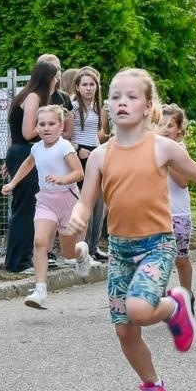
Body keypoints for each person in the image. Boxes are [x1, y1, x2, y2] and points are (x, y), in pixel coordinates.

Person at [69, 69, 196, 391]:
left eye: (131, 96)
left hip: (157, 244)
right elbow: (87, 198)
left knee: (139, 310)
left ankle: (175, 306)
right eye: (115, 97)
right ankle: (151, 385)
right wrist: (79, 215)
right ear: (108, 106)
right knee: (125, 330)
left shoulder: (162, 147)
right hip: (121, 250)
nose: (122, 102)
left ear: (147, 107)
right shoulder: (99, 156)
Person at [1, 105, 93, 309]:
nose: (46, 128)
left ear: (61, 127)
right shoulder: (36, 148)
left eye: (51, 124)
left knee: (69, 253)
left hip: (67, 200)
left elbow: (79, 173)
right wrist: (13, 183)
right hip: (45, 201)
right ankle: (40, 290)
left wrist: (62, 179)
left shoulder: (65, 147)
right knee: (40, 241)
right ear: (37, 128)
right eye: (41, 124)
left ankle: (81, 252)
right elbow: (27, 164)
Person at [2, 60, 60, 273]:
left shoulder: (28, 95)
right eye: (55, 77)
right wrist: (51, 124)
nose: (56, 82)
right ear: (48, 78)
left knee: (27, 207)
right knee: (25, 208)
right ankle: (19, 262)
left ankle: (19, 259)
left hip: (22, 153)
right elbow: (27, 133)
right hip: (24, 153)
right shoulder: (34, 97)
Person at [157, 105, 196, 300]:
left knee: (181, 258)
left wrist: (168, 159)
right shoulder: (150, 149)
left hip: (178, 213)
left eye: (170, 125)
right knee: (159, 259)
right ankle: (163, 300)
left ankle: (187, 296)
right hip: (156, 214)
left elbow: (183, 181)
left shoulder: (180, 150)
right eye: (161, 124)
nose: (165, 129)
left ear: (179, 130)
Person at [69, 66, 108, 259]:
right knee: (86, 202)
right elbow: (64, 133)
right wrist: (77, 149)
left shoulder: (98, 107)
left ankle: (94, 247)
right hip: (80, 154)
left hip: (96, 152)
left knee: (100, 202)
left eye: (92, 84)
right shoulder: (74, 107)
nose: (88, 88)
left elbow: (97, 134)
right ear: (77, 87)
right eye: (84, 84)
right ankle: (83, 247)